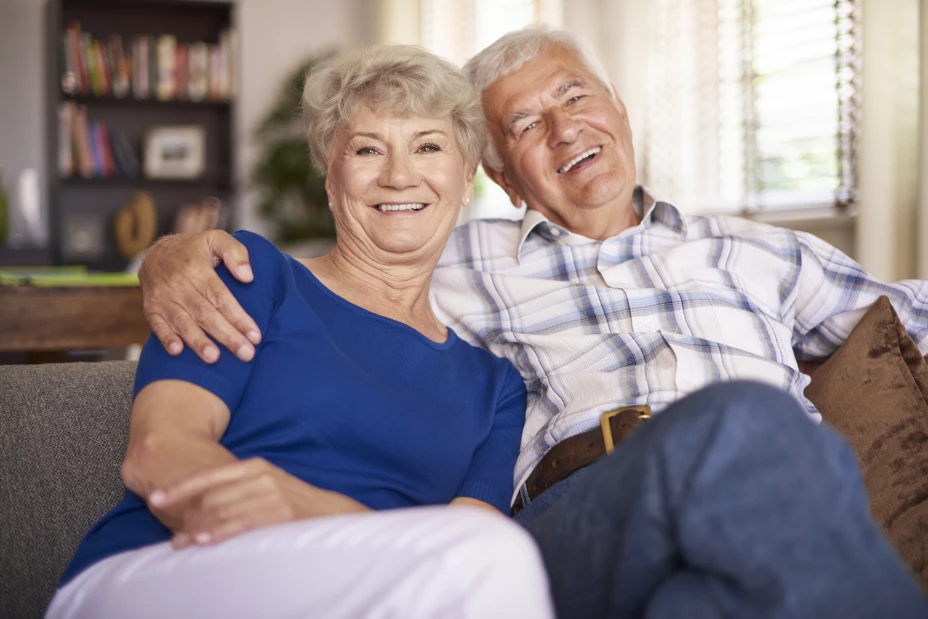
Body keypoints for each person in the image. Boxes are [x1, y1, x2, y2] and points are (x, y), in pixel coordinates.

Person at [137, 28, 928, 618]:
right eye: (524, 124)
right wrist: (169, 256)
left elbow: (910, 314)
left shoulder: (757, 249)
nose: (564, 128)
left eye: (576, 96)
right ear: (501, 179)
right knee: (748, 417)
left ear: (619, 111)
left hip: (771, 499)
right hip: (584, 511)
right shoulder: (444, 252)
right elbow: (329, 277)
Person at [45, 45, 555, 619]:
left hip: (368, 593)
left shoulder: (495, 387)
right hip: (167, 564)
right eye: (368, 149)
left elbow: (464, 549)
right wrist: (294, 522)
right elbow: (159, 454)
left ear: (465, 179)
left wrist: (314, 512)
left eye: (428, 147)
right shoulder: (250, 274)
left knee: (493, 554)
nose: (398, 176)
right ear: (331, 180)